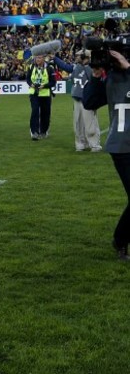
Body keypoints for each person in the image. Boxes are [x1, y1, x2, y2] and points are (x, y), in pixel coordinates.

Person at [83, 50, 130, 260]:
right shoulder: (111, 79)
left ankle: (120, 240)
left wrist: (127, 66)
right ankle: (120, 241)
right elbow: (89, 102)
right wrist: (95, 75)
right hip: (121, 146)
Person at [53, 50, 102, 152]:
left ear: (85, 57)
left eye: (78, 55)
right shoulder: (76, 67)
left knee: (90, 124)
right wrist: (55, 58)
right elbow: (65, 66)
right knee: (78, 124)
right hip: (77, 100)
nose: (76, 57)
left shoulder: (91, 69)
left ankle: (94, 145)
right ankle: (80, 144)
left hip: (88, 101)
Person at [26, 53, 56, 140]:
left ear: (43, 59)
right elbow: (27, 78)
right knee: (35, 111)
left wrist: (44, 86)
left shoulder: (50, 68)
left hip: (45, 94)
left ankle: (44, 131)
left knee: (45, 113)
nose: (37, 60)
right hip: (34, 93)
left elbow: (53, 82)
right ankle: (34, 131)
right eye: (36, 58)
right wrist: (31, 84)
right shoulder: (31, 67)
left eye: (39, 58)